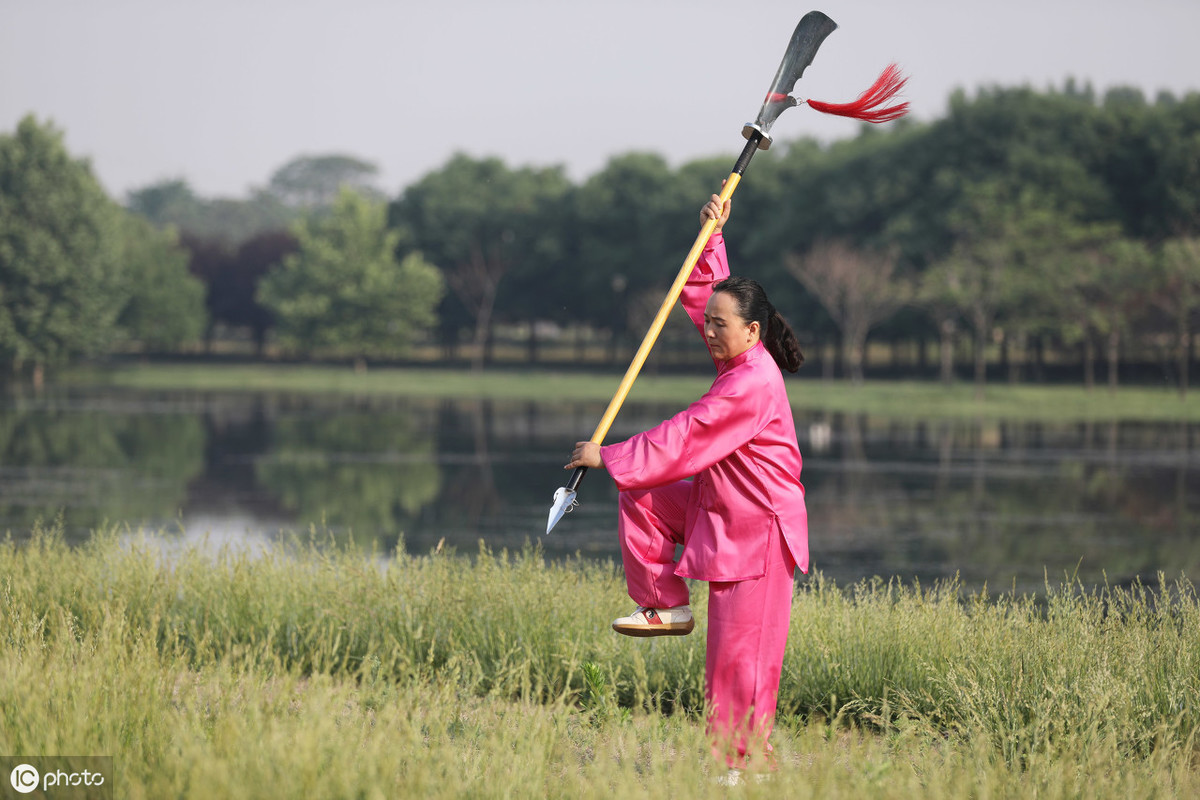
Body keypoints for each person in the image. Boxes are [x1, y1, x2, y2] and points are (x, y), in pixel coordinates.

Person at [564, 192, 808, 772]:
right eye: (706, 326)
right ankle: (663, 603)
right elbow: (707, 291)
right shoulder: (736, 358)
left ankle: (741, 767)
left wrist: (609, 453)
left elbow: (688, 435)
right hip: (719, 510)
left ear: (752, 332)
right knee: (641, 493)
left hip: (759, 533)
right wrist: (712, 237)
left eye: (719, 328)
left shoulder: (750, 383)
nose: (708, 333)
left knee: (738, 659)